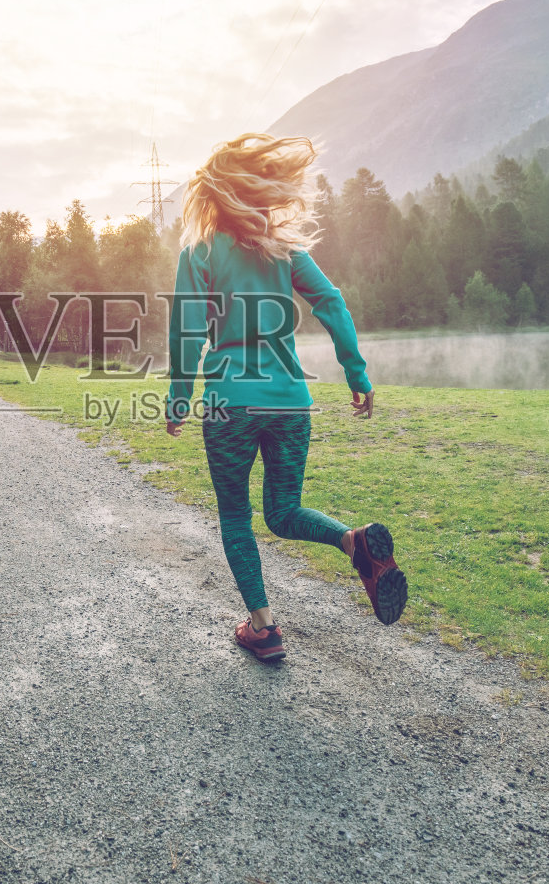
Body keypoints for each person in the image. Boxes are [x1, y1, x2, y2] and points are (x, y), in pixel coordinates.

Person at [164, 132, 408, 663]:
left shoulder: (199, 253)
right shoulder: (284, 250)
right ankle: (353, 541)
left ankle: (263, 628)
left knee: (236, 516)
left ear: (212, 195)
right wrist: (356, 373)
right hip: (292, 402)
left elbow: (185, 333)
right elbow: (330, 300)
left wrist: (179, 398)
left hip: (231, 405)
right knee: (283, 510)